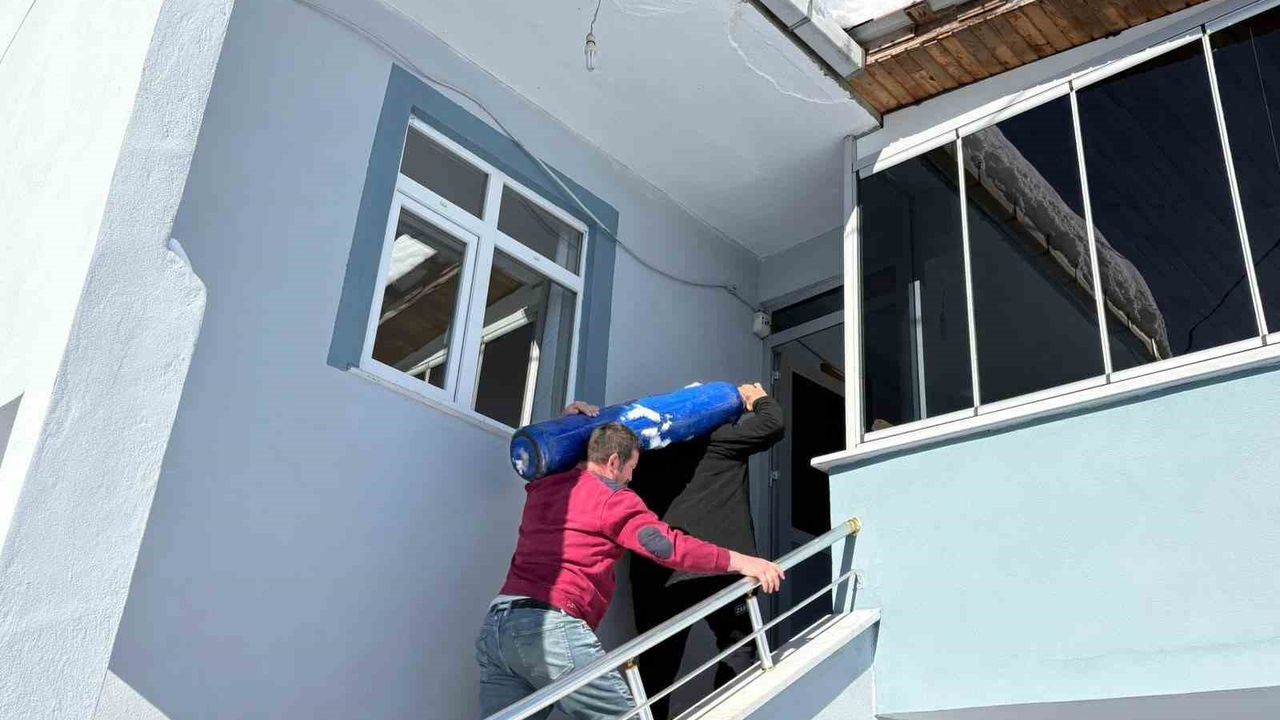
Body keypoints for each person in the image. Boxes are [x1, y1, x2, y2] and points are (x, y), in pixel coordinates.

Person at [475, 416, 785, 720]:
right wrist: (742, 561)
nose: (631, 478)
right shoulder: (612, 497)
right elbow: (667, 546)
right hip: (551, 626)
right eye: (631, 468)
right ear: (613, 462)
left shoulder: (547, 486)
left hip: (498, 627)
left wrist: (570, 420)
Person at [627, 382, 785, 720]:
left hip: (661, 574)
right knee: (740, 649)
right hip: (722, 568)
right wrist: (756, 397)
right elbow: (773, 423)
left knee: (655, 669)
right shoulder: (719, 439)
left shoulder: (643, 456)